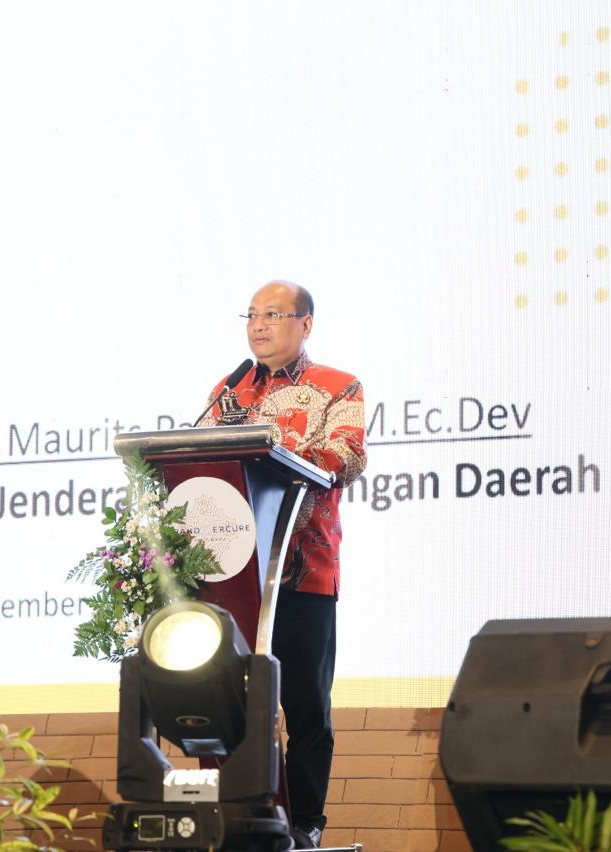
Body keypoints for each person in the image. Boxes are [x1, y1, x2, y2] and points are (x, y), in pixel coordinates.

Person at [200, 280, 367, 848]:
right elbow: (200, 457)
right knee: (225, 704)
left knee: (306, 706)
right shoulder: (229, 390)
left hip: (303, 570)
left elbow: (345, 457)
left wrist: (269, 449)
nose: (259, 325)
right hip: (231, 575)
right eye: (251, 314)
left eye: (272, 314)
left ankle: (304, 824)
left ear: (305, 323)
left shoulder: (339, 387)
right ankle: (234, 818)